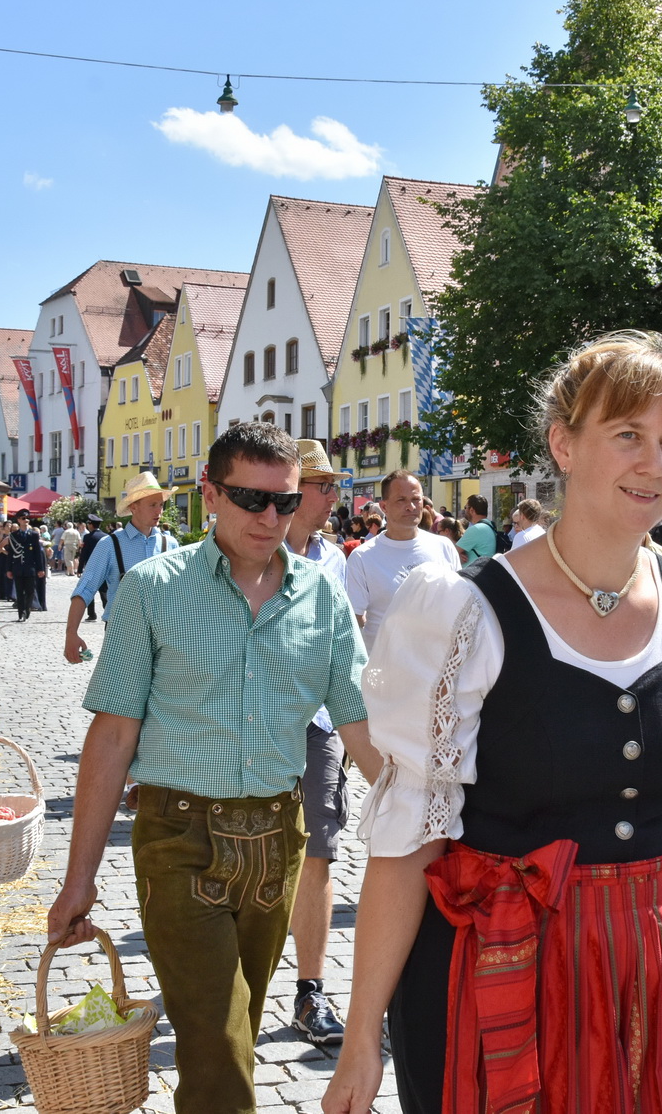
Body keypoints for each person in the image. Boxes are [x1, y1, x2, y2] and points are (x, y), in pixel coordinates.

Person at [323, 331, 662, 1114]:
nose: (655, 464)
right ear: (563, 444)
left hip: (661, 967)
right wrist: (362, 1037)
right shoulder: (466, 611)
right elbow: (408, 839)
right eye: (627, 435)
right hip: (508, 975)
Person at [46, 423, 369, 1114]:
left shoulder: (322, 594)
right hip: (179, 841)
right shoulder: (153, 589)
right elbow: (112, 735)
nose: (270, 517)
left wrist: (435, 813)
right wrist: (79, 877)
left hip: (278, 843)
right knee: (220, 1057)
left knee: (234, 1037)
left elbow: (360, 724)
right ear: (211, 493)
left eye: (285, 502)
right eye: (252, 499)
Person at [280, 440, 362, 1046]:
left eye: (336, 485)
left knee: (320, 851)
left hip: (322, 727)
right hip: (256, 727)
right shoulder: (251, 549)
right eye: (324, 485)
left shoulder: (334, 557)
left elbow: (346, 649)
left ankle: (310, 993)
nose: (334, 496)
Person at [64, 473, 178, 662]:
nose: (159, 511)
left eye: (161, 504)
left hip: (164, 636)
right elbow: (85, 589)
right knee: (122, 691)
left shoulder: (170, 544)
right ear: (134, 506)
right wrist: (71, 633)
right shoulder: (110, 544)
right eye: (152, 505)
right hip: (123, 634)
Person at [344, 471, 461, 652]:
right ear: (384, 506)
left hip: (438, 668)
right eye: (401, 500)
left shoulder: (444, 547)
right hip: (385, 669)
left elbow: (459, 607)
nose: (411, 506)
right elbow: (354, 621)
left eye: (416, 499)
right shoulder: (363, 557)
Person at [8, 519, 47, 620]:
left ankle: (27, 608)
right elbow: (11, 554)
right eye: (23, 518)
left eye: (26, 518)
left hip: (30, 568)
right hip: (18, 567)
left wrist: (40, 569)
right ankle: (21, 613)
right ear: (19, 520)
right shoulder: (14, 535)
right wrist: (9, 569)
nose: (25, 520)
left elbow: (37, 553)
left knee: (30, 592)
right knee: (19, 592)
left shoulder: (33, 535)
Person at [455, 494, 497, 564]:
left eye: (465, 507)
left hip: (473, 573)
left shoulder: (476, 529)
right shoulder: (490, 525)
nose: (464, 510)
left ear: (471, 510)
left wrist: (457, 555)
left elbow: (452, 551)